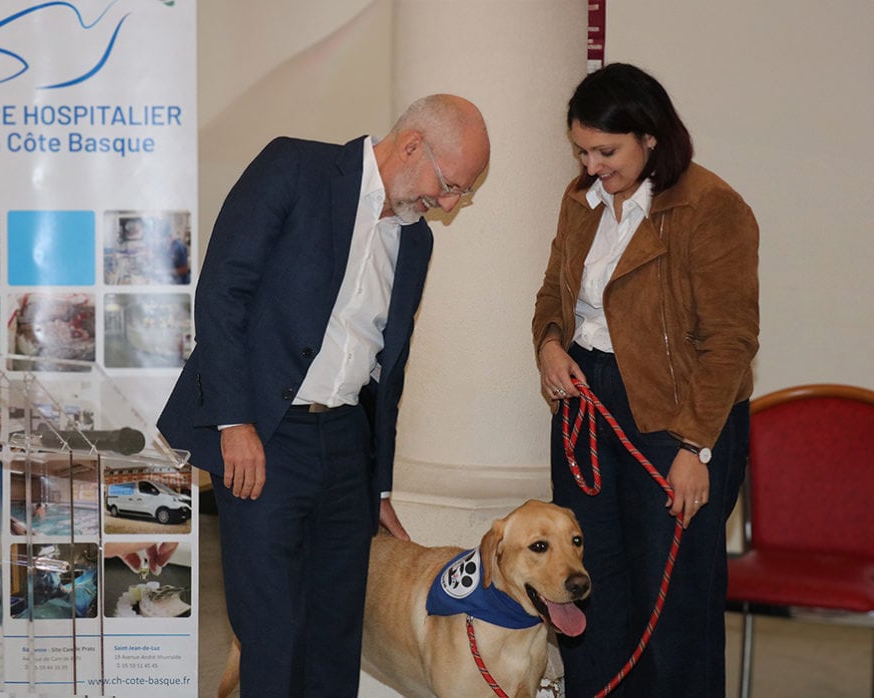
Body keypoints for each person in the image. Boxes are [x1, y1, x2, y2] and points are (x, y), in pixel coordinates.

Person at [157, 94, 490, 697]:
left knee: (337, 635)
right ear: (412, 145)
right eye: (449, 186)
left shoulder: (415, 241)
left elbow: (390, 369)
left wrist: (378, 484)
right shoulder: (295, 169)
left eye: (460, 195)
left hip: (345, 446)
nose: (447, 205)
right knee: (273, 632)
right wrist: (234, 421)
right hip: (264, 436)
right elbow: (222, 293)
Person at [531, 63, 759, 697]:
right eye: (582, 150)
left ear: (651, 137)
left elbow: (731, 342)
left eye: (606, 151)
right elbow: (552, 292)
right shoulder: (580, 200)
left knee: (674, 598)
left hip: (680, 416)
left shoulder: (711, 208)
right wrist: (549, 345)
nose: (592, 165)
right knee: (588, 582)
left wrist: (695, 448)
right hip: (587, 404)